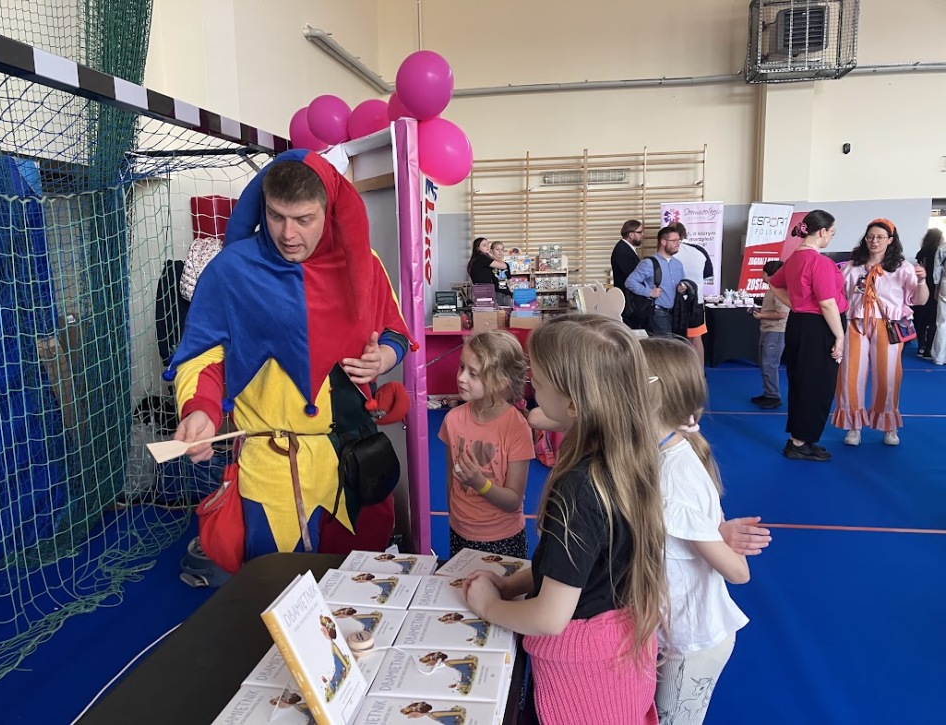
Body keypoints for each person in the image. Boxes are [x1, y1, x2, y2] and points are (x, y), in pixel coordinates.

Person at [169, 149, 415, 563]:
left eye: (304, 219)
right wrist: (200, 410)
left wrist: (385, 358)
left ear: (328, 210)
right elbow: (202, 355)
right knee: (276, 583)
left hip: (353, 457)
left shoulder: (363, 263)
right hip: (272, 464)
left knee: (360, 579)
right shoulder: (231, 270)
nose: (288, 233)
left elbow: (395, 330)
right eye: (276, 215)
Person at [463, 315, 666, 725]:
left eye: (537, 383)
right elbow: (587, 568)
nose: (531, 391)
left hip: (581, 688)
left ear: (573, 404)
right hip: (620, 661)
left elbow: (549, 617)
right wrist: (512, 584)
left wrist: (489, 605)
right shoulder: (628, 457)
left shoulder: (579, 488)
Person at [641, 337, 750, 725]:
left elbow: (738, 572)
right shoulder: (662, 452)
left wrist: (717, 536)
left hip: (690, 641)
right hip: (669, 632)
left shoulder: (676, 478)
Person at [439, 330, 535, 558]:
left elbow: (513, 501)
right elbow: (451, 478)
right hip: (460, 531)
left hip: (502, 537)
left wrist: (479, 483)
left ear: (500, 381)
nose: (461, 377)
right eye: (462, 367)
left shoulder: (516, 427)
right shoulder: (452, 419)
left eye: (473, 373)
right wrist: (455, 517)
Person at [833, 218, 927, 447]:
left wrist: (922, 281)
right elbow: (838, 296)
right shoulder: (852, 266)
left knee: (888, 376)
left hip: (888, 326)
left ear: (890, 240)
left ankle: (888, 425)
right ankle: (854, 426)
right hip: (855, 323)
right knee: (850, 375)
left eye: (880, 237)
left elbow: (919, 300)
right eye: (870, 237)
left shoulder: (902, 268)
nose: (874, 241)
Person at [768, 210, 847, 462]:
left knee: (802, 381)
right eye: (832, 233)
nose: (831, 237)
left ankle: (800, 438)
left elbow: (774, 283)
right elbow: (827, 303)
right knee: (817, 384)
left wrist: (796, 304)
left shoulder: (794, 258)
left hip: (800, 324)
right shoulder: (819, 262)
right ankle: (800, 442)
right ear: (822, 232)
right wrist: (840, 336)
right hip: (819, 327)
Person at [626, 226, 687, 336]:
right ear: (663, 242)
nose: (677, 244)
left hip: (676, 313)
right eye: (674, 240)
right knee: (667, 344)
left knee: (675, 343)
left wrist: (681, 289)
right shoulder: (648, 263)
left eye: (678, 240)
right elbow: (630, 282)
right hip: (657, 312)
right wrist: (649, 292)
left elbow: (681, 284)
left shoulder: (678, 264)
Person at [673, 222, 715, 364]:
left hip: (674, 302)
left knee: (674, 340)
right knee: (696, 338)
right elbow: (708, 274)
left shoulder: (669, 252)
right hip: (696, 301)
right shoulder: (700, 251)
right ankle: (699, 372)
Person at [750, 260, 789, 409]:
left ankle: (773, 396)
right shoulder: (773, 290)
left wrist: (761, 315)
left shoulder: (779, 291)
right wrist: (762, 312)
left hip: (776, 331)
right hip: (768, 330)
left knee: (769, 364)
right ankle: (768, 393)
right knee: (765, 363)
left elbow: (782, 314)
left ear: (767, 274)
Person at [915, 228, 943, 358]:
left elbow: (919, 269)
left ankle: (921, 346)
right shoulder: (940, 252)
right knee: (934, 320)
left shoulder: (922, 252)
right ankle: (929, 349)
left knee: (920, 319)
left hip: (923, 286)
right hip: (936, 287)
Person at [611, 220, 645, 323]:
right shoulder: (623, 251)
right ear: (631, 234)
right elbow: (633, 276)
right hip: (629, 302)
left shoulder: (626, 248)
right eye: (639, 232)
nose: (642, 235)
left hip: (631, 300)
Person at [931, 239, 946, 365]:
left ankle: (939, 357)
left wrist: (937, 285)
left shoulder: (943, 247)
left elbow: (937, 267)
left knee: (942, 322)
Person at [489, 240, 513, 306]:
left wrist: (510, 293)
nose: (500, 252)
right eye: (497, 249)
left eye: (502, 249)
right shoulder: (489, 264)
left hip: (506, 294)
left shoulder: (506, 265)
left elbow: (508, 280)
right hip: (495, 294)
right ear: (491, 251)